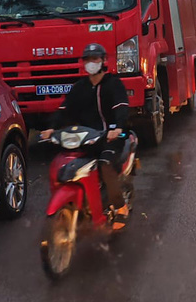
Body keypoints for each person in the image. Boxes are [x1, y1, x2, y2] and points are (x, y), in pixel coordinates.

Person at [41, 43, 130, 229]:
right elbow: (64, 110)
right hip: (85, 138)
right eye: (87, 60)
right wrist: (51, 128)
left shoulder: (113, 84)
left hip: (110, 138)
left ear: (104, 61)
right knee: (62, 162)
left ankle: (121, 207)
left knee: (105, 165)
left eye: (95, 59)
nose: (91, 63)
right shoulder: (79, 87)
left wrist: (117, 128)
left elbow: (121, 108)